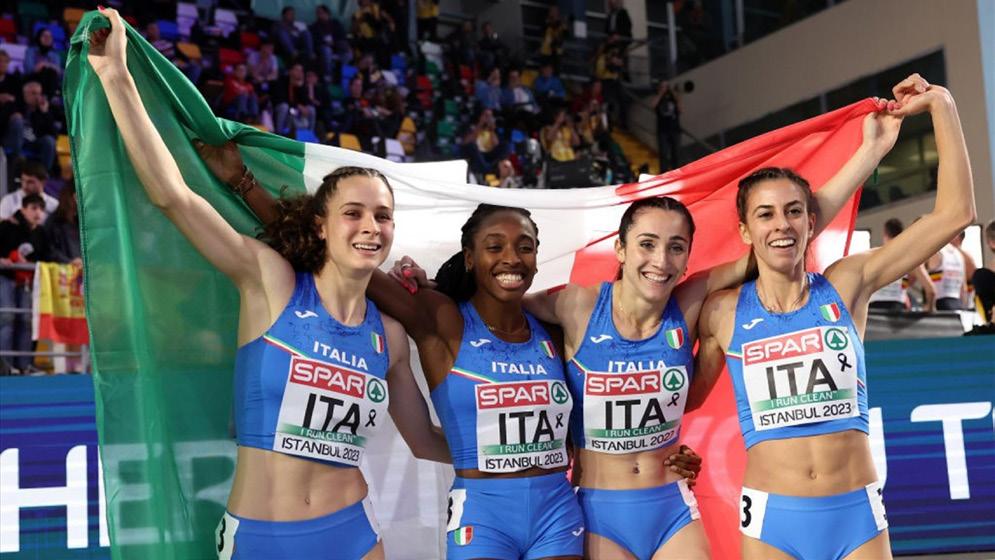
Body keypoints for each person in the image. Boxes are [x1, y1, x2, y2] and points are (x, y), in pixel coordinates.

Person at [391, 97, 901, 559]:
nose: (661, 260)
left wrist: (869, 154)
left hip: (670, 505)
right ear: (621, 249)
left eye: (676, 248)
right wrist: (440, 286)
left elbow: (783, 239)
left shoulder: (690, 299)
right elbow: (503, 295)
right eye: (647, 245)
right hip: (594, 509)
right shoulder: (575, 305)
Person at [87, 10, 449, 558]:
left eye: (383, 216)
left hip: (354, 534)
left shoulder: (391, 338)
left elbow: (424, 442)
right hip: (261, 538)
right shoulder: (271, 281)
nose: (371, 227)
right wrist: (116, 76)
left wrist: (532, 455)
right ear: (321, 225)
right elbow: (174, 197)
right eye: (353, 213)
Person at [691, 75, 974, 559]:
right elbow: (683, 397)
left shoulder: (847, 283)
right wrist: (660, 454)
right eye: (765, 215)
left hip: (855, 515)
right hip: (771, 521)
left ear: (811, 221)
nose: (781, 224)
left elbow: (955, 213)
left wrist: (941, 104)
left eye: (793, 211)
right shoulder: (721, 310)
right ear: (745, 231)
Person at [0, 193, 45, 374]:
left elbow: (45, 256)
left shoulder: (40, 233)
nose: (38, 213)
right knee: (7, 317)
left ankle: (24, 366)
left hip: (27, 281)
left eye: (41, 209)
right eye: (33, 208)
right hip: (5, 278)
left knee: (26, 320)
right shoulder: (7, 226)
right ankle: (5, 366)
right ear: (23, 209)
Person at [868, 218, 934, 311]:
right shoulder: (910, 258)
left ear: (885, 234)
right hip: (897, 309)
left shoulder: (872, 256)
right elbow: (931, 291)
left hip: (874, 310)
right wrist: (929, 309)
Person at [4, 82, 59, 172]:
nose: (37, 97)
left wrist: (45, 113)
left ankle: (42, 174)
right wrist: (12, 118)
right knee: (17, 121)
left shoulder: (41, 111)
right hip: (13, 142)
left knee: (49, 141)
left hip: (32, 143)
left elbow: (54, 135)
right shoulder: (13, 105)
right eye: (33, 93)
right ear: (24, 94)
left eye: (39, 94)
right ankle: (16, 161)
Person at [31, 181, 81, 265]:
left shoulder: (80, 221)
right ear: (74, 197)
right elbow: (50, 251)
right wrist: (70, 262)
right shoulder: (54, 222)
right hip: (63, 270)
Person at [927, 235, 967, 310]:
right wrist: (964, 307)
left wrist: (928, 307)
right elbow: (964, 288)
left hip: (940, 304)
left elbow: (931, 290)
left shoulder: (935, 252)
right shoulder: (959, 254)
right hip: (957, 303)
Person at [23, 28, 62, 96]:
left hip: (50, 79)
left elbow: (58, 71)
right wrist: (45, 66)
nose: (47, 38)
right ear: (38, 38)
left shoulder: (55, 55)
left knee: (50, 73)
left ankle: (48, 97)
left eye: (49, 37)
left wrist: (45, 64)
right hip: (33, 79)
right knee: (45, 72)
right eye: (44, 36)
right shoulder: (30, 51)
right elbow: (29, 70)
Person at [653, 81, 681, 172]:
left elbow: (680, 109)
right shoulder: (658, 98)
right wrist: (661, 93)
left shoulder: (672, 98)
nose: (665, 88)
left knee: (676, 153)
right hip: (663, 130)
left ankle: (676, 172)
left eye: (666, 86)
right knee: (663, 153)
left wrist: (673, 92)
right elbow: (653, 105)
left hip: (675, 129)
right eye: (663, 86)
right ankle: (664, 172)